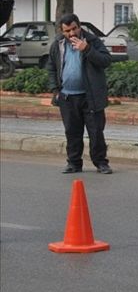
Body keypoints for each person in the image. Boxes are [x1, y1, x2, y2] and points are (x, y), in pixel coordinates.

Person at [46, 13, 113, 175]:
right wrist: (55, 90)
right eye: (67, 31)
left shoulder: (92, 41)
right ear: (62, 31)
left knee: (96, 132)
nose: (71, 34)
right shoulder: (58, 44)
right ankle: (74, 163)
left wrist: (87, 49)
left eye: (74, 29)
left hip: (90, 97)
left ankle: (101, 163)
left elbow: (106, 61)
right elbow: (51, 68)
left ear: (79, 26)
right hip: (67, 97)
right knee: (72, 132)